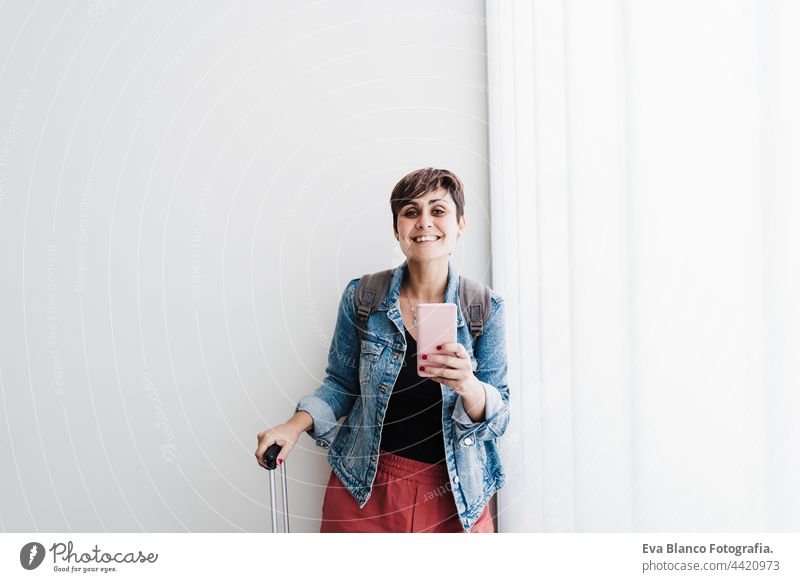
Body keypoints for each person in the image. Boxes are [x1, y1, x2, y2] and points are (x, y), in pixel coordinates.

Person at [255, 168, 509, 533]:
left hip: (457, 498)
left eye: (438, 211)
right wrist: (293, 427)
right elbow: (340, 385)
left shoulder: (485, 309)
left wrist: (468, 385)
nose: (424, 223)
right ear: (397, 228)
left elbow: (500, 417)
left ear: (460, 224)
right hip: (364, 489)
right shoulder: (364, 297)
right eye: (410, 212)